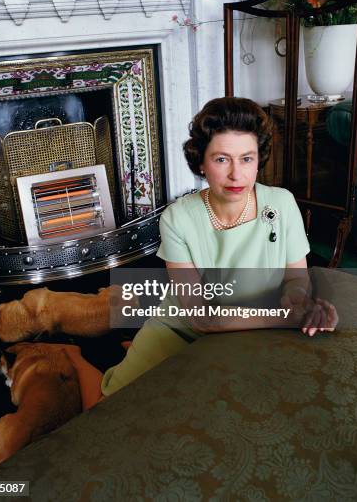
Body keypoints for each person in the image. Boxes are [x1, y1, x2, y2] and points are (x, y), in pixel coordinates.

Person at [65, 97, 338, 410]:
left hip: (254, 328)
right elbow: (202, 319)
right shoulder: (177, 218)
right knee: (108, 407)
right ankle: (73, 357)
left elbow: (295, 278)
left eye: (247, 159)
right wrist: (285, 317)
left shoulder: (283, 203)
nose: (237, 174)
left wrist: (300, 300)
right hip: (181, 329)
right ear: (201, 163)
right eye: (222, 159)